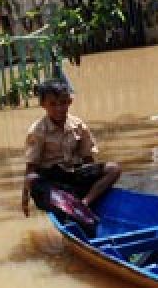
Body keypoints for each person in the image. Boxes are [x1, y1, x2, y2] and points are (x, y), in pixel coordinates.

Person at [21, 79, 121, 216]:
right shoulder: (38, 130)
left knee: (113, 169)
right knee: (32, 179)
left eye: (63, 103)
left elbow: (88, 159)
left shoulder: (78, 125)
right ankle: (67, 205)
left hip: (73, 174)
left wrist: (92, 180)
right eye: (53, 104)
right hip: (52, 181)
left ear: (70, 102)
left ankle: (84, 204)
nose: (59, 108)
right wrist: (25, 199)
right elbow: (31, 168)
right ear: (43, 105)